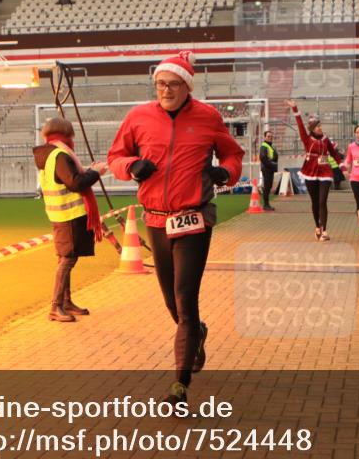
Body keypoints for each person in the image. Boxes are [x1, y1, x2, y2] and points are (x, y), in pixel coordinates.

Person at [108, 51, 244, 406]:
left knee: (185, 295)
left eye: (172, 84)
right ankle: (196, 332)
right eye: (160, 84)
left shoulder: (208, 117)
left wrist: (225, 172)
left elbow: (233, 155)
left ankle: (180, 385)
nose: (165, 90)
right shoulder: (138, 117)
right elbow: (115, 157)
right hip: (155, 218)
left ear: (187, 86)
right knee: (171, 300)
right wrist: (131, 166)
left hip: (194, 217)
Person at [33, 117, 107, 323]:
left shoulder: (49, 154)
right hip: (70, 215)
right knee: (67, 260)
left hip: (60, 214)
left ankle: (65, 302)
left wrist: (89, 172)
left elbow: (69, 179)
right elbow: (75, 183)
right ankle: (56, 306)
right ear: (67, 134)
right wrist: (96, 173)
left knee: (66, 258)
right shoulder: (60, 155)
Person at [286, 99, 342, 241]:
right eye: (318, 126)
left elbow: (334, 154)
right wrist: (295, 109)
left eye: (320, 125)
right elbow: (300, 125)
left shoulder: (326, 139)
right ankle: (317, 226)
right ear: (312, 129)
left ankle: (324, 231)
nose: (320, 128)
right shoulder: (307, 139)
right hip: (310, 171)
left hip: (325, 172)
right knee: (315, 202)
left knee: (323, 201)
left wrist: (341, 166)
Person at [259, 130, 278, 211]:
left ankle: (267, 204)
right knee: (267, 187)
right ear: (265, 137)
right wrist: (272, 165)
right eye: (268, 136)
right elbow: (263, 158)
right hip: (267, 169)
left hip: (269, 169)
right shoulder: (264, 146)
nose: (270, 138)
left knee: (268, 187)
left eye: (271, 136)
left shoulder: (269, 146)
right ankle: (266, 205)